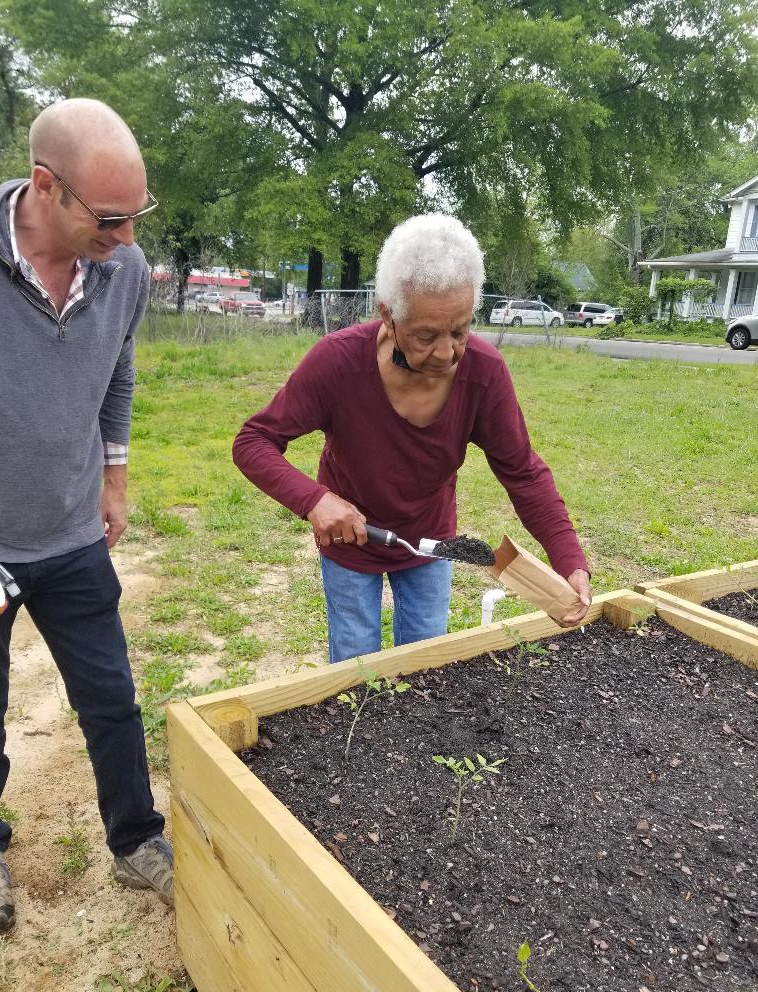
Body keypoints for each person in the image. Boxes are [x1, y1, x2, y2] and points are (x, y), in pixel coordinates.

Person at [0, 98, 172, 935]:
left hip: (72, 533)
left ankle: (136, 840)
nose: (126, 238)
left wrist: (113, 479)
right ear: (46, 187)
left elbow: (117, 374)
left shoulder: (125, 271)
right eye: (110, 219)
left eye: (137, 217)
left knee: (111, 696)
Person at [233, 213, 592, 663]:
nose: (445, 353)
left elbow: (522, 471)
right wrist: (315, 501)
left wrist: (568, 560)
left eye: (459, 331)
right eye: (425, 336)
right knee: (355, 667)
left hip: (431, 545)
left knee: (426, 665)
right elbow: (253, 441)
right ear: (388, 314)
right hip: (351, 544)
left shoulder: (484, 373)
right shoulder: (337, 364)